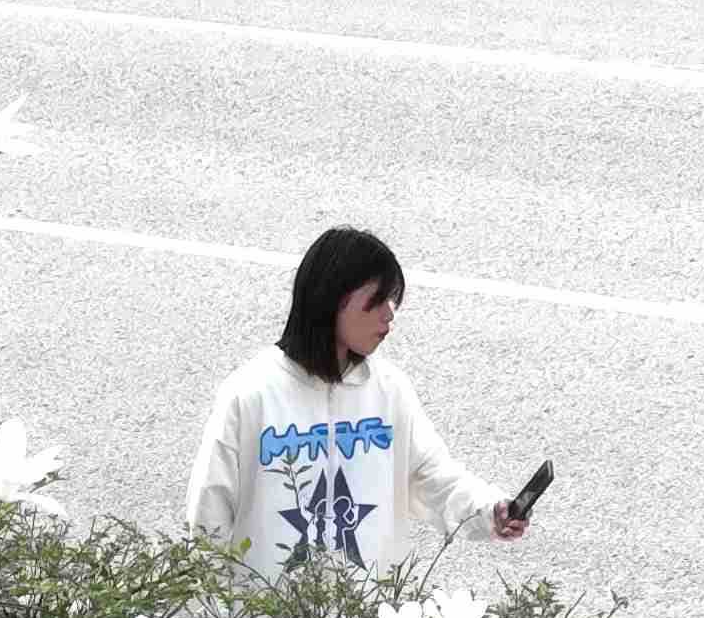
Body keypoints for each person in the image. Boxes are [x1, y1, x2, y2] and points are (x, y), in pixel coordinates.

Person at [181, 226, 531, 577]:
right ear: (334, 298)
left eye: (393, 301)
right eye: (378, 300)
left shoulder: (389, 390)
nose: (389, 315)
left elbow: (434, 477)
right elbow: (209, 515)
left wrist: (490, 512)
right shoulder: (250, 394)